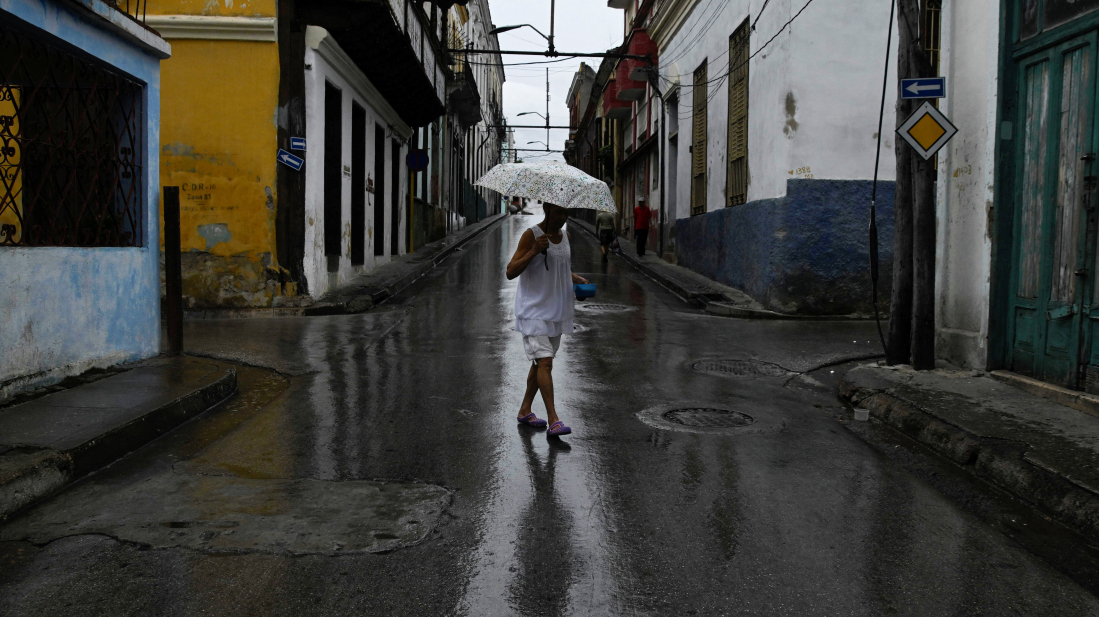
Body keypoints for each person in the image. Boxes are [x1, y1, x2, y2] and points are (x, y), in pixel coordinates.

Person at [506, 203, 589, 437]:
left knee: (541, 362)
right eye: (559, 212)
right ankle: (554, 419)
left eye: (566, 213)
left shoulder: (566, 236)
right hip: (533, 311)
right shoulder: (531, 235)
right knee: (545, 363)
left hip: (555, 312)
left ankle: (525, 410)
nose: (563, 217)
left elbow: (559, 268)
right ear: (546, 209)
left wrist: (576, 280)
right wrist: (533, 250)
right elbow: (510, 271)